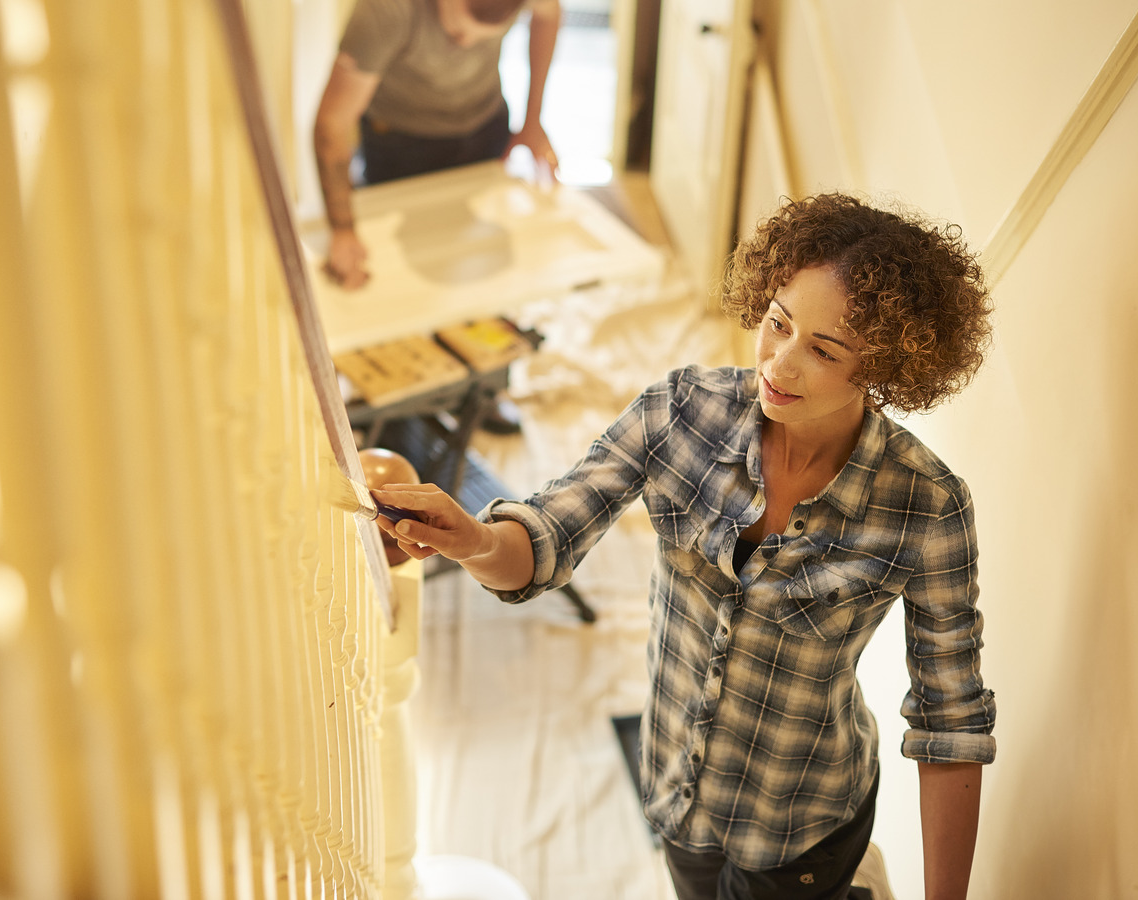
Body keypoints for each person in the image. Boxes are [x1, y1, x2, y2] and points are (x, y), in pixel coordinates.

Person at [370, 193, 997, 900]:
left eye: (823, 350)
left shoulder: (928, 504)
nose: (781, 366)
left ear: (883, 366)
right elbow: (548, 535)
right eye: (778, 323)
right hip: (674, 790)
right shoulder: (680, 411)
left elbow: (952, 728)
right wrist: (475, 539)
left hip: (803, 826)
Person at [313, 0, 563, 291]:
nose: (467, 44)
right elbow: (332, 123)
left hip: (485, 123)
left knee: (469, 261)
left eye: (486, 38)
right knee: (402, 280)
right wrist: (343, 229)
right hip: (401, 143)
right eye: (456, 32)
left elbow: (549, 15)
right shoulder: (385, 9)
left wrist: (533, 121)